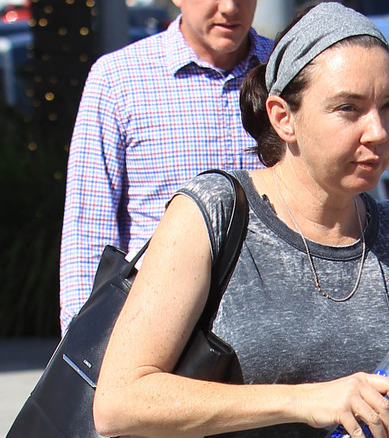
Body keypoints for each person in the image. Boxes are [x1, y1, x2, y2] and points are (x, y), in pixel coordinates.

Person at [92, 3, 389, 438]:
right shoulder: (214, 214)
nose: (379, 131)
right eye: (348, 108)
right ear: (284, 117)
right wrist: (305, 399)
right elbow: (120, 402)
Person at [59, 0, 274, 335]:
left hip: (277, 321)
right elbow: (89, 234)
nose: (230, 7)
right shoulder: (119, 79)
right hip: (159, 332)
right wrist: (85, 351)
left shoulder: (289, 74)